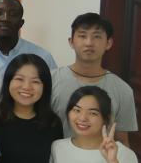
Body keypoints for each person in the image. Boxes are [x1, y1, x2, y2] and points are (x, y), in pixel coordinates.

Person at [50, 13, 136, 144]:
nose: (89, 43)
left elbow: (122, 141)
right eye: (82, 36)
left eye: (97, 36)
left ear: (108, 43)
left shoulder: (122, 90)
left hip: (101, 157)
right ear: (71, 42)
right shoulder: (51, 80)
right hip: (54, 155)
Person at [0, 0, 58, 77]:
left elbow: (54, 87)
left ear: (21, 23)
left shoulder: (42, 56)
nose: (5, 18)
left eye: (13, 14)